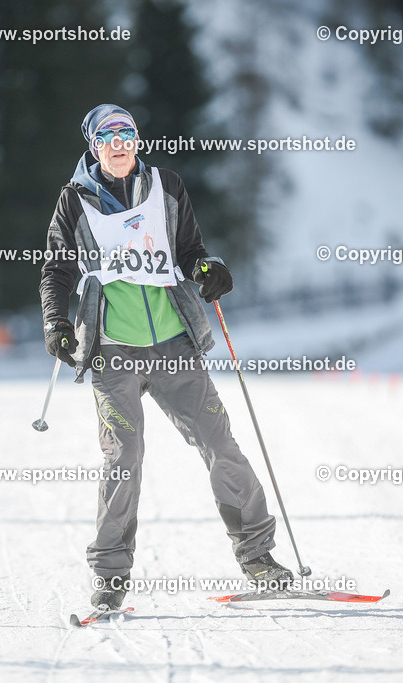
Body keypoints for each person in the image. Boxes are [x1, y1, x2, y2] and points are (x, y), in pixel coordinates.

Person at [39, 104, 293, 610]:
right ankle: (110, 576)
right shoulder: (74, 201)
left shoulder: (166, 185)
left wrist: (208, 268)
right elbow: (56, 270)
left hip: (175, 344)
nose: (118, 143)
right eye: (107, 136)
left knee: (221, 446)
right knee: (123, 459)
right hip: (113, 352)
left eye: (127, 133)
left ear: (137, 141)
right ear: (93, 146)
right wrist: (56, 322)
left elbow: (189, 250)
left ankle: (259, 556)